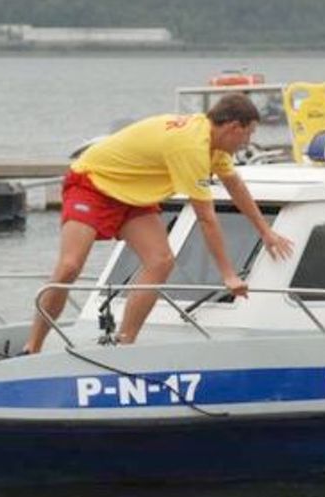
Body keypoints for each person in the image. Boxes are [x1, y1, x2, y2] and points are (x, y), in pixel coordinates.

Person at [23, 93, 293, 354]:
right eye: (250, 133)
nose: (249, 141)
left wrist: (266, 232)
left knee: (161, 260)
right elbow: (206, 218)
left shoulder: (214, 143)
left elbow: (234, 184)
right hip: (94, 182)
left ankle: (124, 344)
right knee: (70, 265)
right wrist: (228, 274)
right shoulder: (191, 146)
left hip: (133, 194)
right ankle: (32, 347)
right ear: (234, 127)